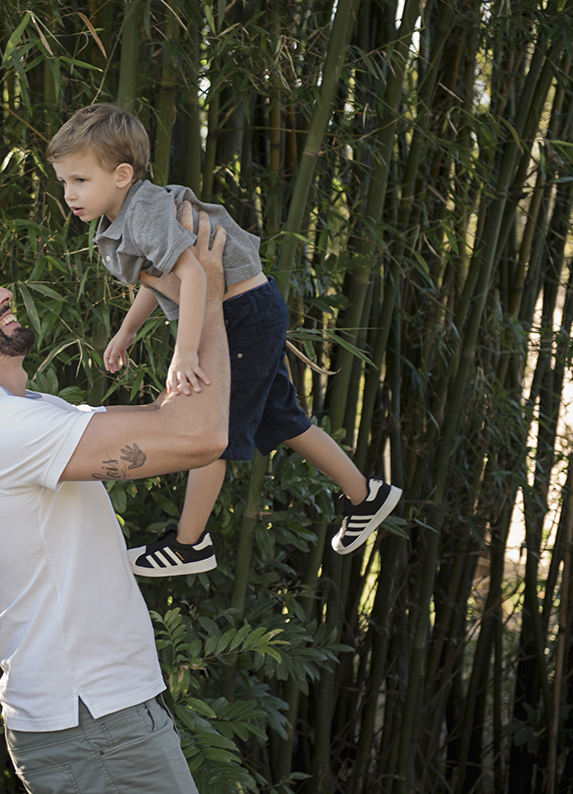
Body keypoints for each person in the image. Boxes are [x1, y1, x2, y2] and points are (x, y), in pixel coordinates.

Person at [0, 208, 229, 793]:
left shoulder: (26, 414)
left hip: (94, 718)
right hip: (94, 722)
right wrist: (211, 300)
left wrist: (183, 298)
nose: (1, 292)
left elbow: (172, 422)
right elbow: (202, 436)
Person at [47, 103, 401, 576]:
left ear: (121, 174)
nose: (69, 194)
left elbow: (195, 278)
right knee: (282, 419)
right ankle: (366, 494)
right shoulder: (129, 212)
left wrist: (186, 351)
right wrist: (126, 330)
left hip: (238, 316)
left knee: (206, 432)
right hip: (249, 311)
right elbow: (160, 279)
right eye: (64, 182)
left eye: (79, 180)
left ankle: (190, 543)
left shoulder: (145, 211)